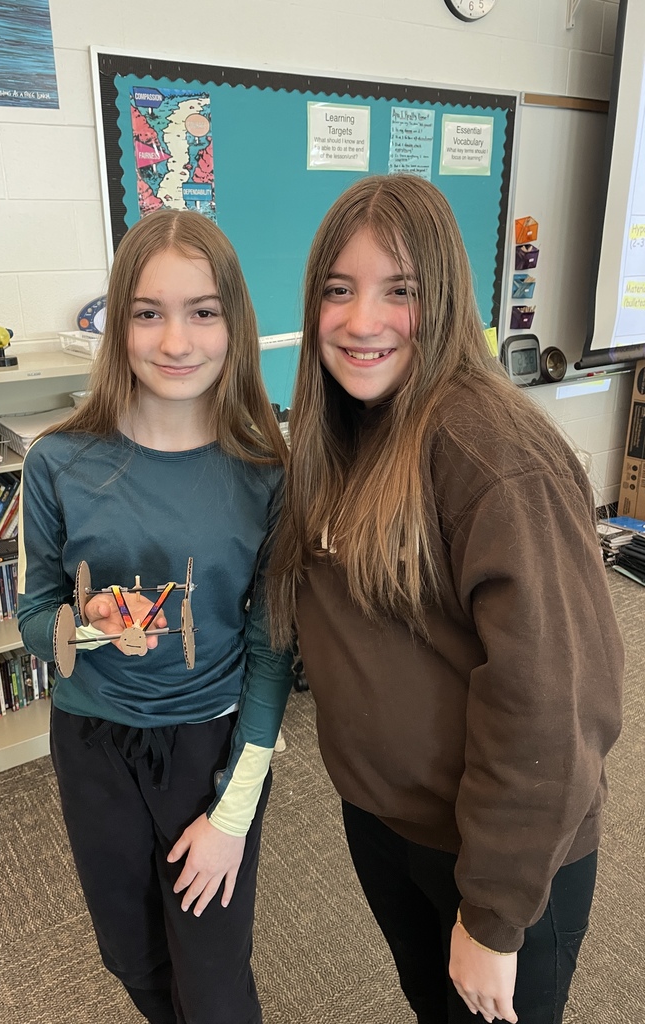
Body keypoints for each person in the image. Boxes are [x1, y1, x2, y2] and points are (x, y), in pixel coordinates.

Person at [266, 174, 623, 1024]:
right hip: (389, 824)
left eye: (400, 292)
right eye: (338, 291)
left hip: (500, 854)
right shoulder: (347, 429)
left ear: (448, 300)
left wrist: (495, 920)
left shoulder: (490, 454)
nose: (361, 322)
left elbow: (554, 704)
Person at [17, 209, 292, 1024]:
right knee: (131, 954)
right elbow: (35, 613)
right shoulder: (59, 461)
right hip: (92, 748)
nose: (176, 341)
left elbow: (270, 655)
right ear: (118, 325)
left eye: (202, 311)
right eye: (148, 312)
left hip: (209, 749)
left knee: (211, 983)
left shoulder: (268, 473)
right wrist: (82, 625)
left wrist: (231, 815)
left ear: (233, 322)